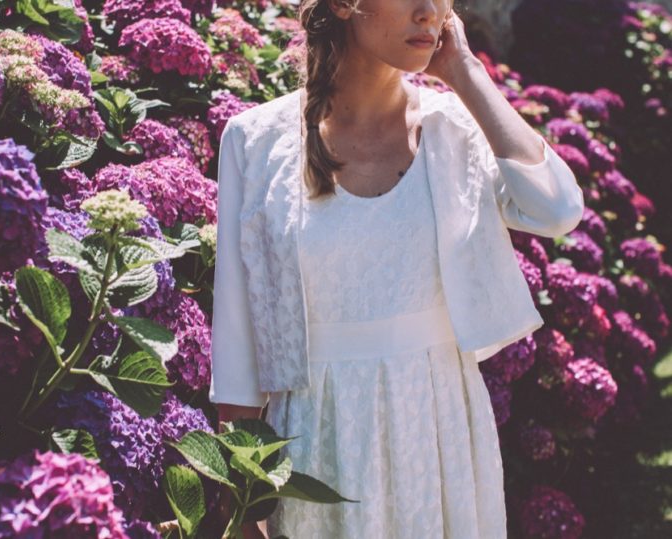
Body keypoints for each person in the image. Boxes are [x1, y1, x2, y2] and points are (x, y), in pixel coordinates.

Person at [209, 0, 584, 537]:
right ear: (343, 5)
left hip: (439, 439)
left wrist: (465, 74)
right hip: (316, 444)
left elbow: (556, 209)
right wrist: (243, 513)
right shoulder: (255, 140)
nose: (430, 11)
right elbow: (237, 346)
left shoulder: (454, 128)